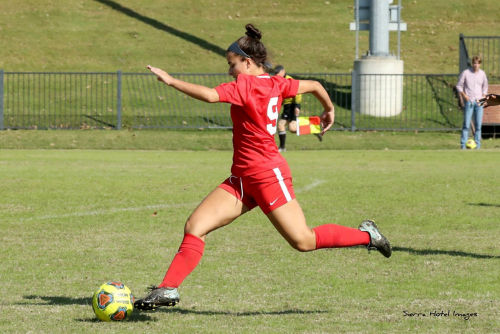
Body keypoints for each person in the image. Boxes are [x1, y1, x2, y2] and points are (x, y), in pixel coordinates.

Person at [135, 23, 391, 311]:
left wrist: (170, 80)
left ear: (246, 62)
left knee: (303, 241)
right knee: (195, 227)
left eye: (231, 65)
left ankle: (368, 235)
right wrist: (329, 110)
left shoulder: (245, 85)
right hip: (242, 179)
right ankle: (168, 288)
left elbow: (209, 95)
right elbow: (317, 86)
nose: (229, 71)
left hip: (268, 175)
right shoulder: (276, 83)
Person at [456, 55, 488, 149]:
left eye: (477, 63)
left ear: (480, 64)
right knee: (466, 124)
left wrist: (484, 97)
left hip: (479, 101)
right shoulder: (466, 73)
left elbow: (485, 87)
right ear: (472, 63)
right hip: (469, 101)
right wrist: (464, 95)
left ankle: (477, 145)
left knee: (478, 124)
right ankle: (463, 145)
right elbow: (459, 86)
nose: (475, 65)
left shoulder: (482, 74)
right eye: (474, 63)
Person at [273, 65, 303, 152]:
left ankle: (311, 127)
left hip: (292, 105)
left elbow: (298, 92)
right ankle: (282, 147)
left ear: (283, 72)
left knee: (288, 127)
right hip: (287, 106)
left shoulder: (289, 80)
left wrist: (297, 106)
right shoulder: (279, 81)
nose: (276, 76)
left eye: (278, 74)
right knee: (282, 125)